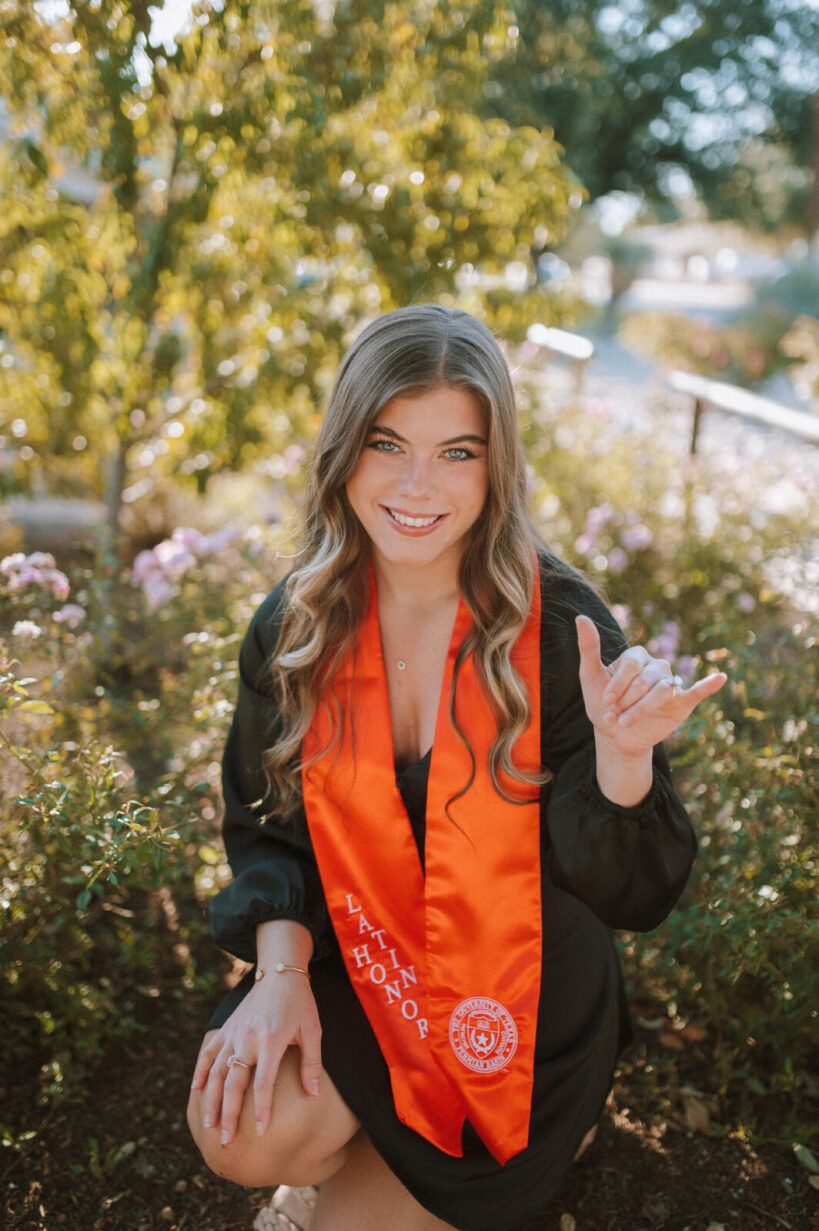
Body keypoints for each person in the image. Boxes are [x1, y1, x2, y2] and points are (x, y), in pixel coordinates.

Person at [187, 303, 726, 1231]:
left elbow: (631, 895)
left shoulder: (559, 631)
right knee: (241, 1131)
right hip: (364, 960)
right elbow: (267, 824)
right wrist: (279, 976)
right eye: (388, 442)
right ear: (345, 447)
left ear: (496, 465)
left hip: (515, 1004)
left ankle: (497, 1144)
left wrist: (623, 757)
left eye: (457, 452)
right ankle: (363, 1132)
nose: (416, 485)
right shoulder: (302, 619)